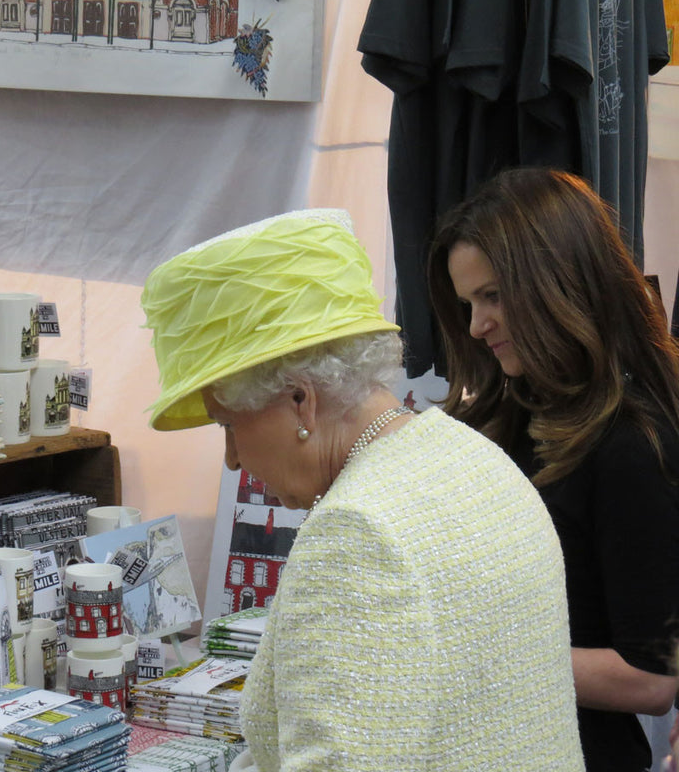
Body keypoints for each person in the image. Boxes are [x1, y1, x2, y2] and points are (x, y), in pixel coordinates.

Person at [140, 208, 584, 771]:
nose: (232, 459)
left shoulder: (356, 535)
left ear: (301, 399)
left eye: (229, 426)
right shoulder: (474, 456)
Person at [428, 167, 679, 772]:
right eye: (467, 303)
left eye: (492, 297)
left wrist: (466, 655)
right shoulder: (516, 409)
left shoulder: (634, 443)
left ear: (558, 282)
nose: (475, 325)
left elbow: (650, 678)